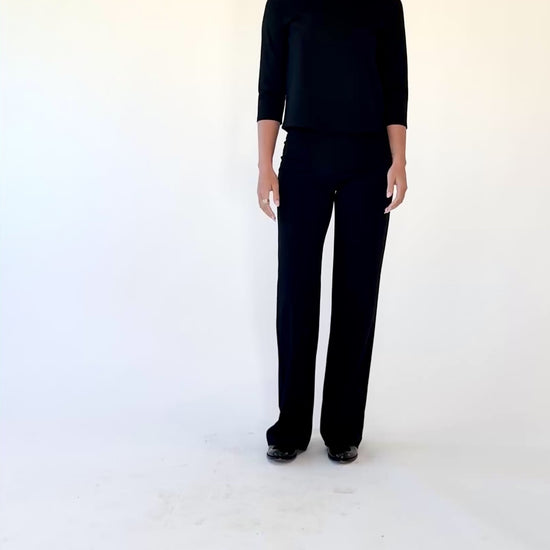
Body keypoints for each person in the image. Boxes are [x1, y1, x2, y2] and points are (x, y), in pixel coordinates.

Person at [256, 0, 408, 463]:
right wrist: (264, 165)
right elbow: (270, 85)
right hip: (303, 158)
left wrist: (399, 160)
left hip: (370, 162)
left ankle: (343, 429)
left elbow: (395, 83)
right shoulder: (284, 3)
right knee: (296, 291)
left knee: (357, 293)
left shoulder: (384, 3)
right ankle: (290, 426)